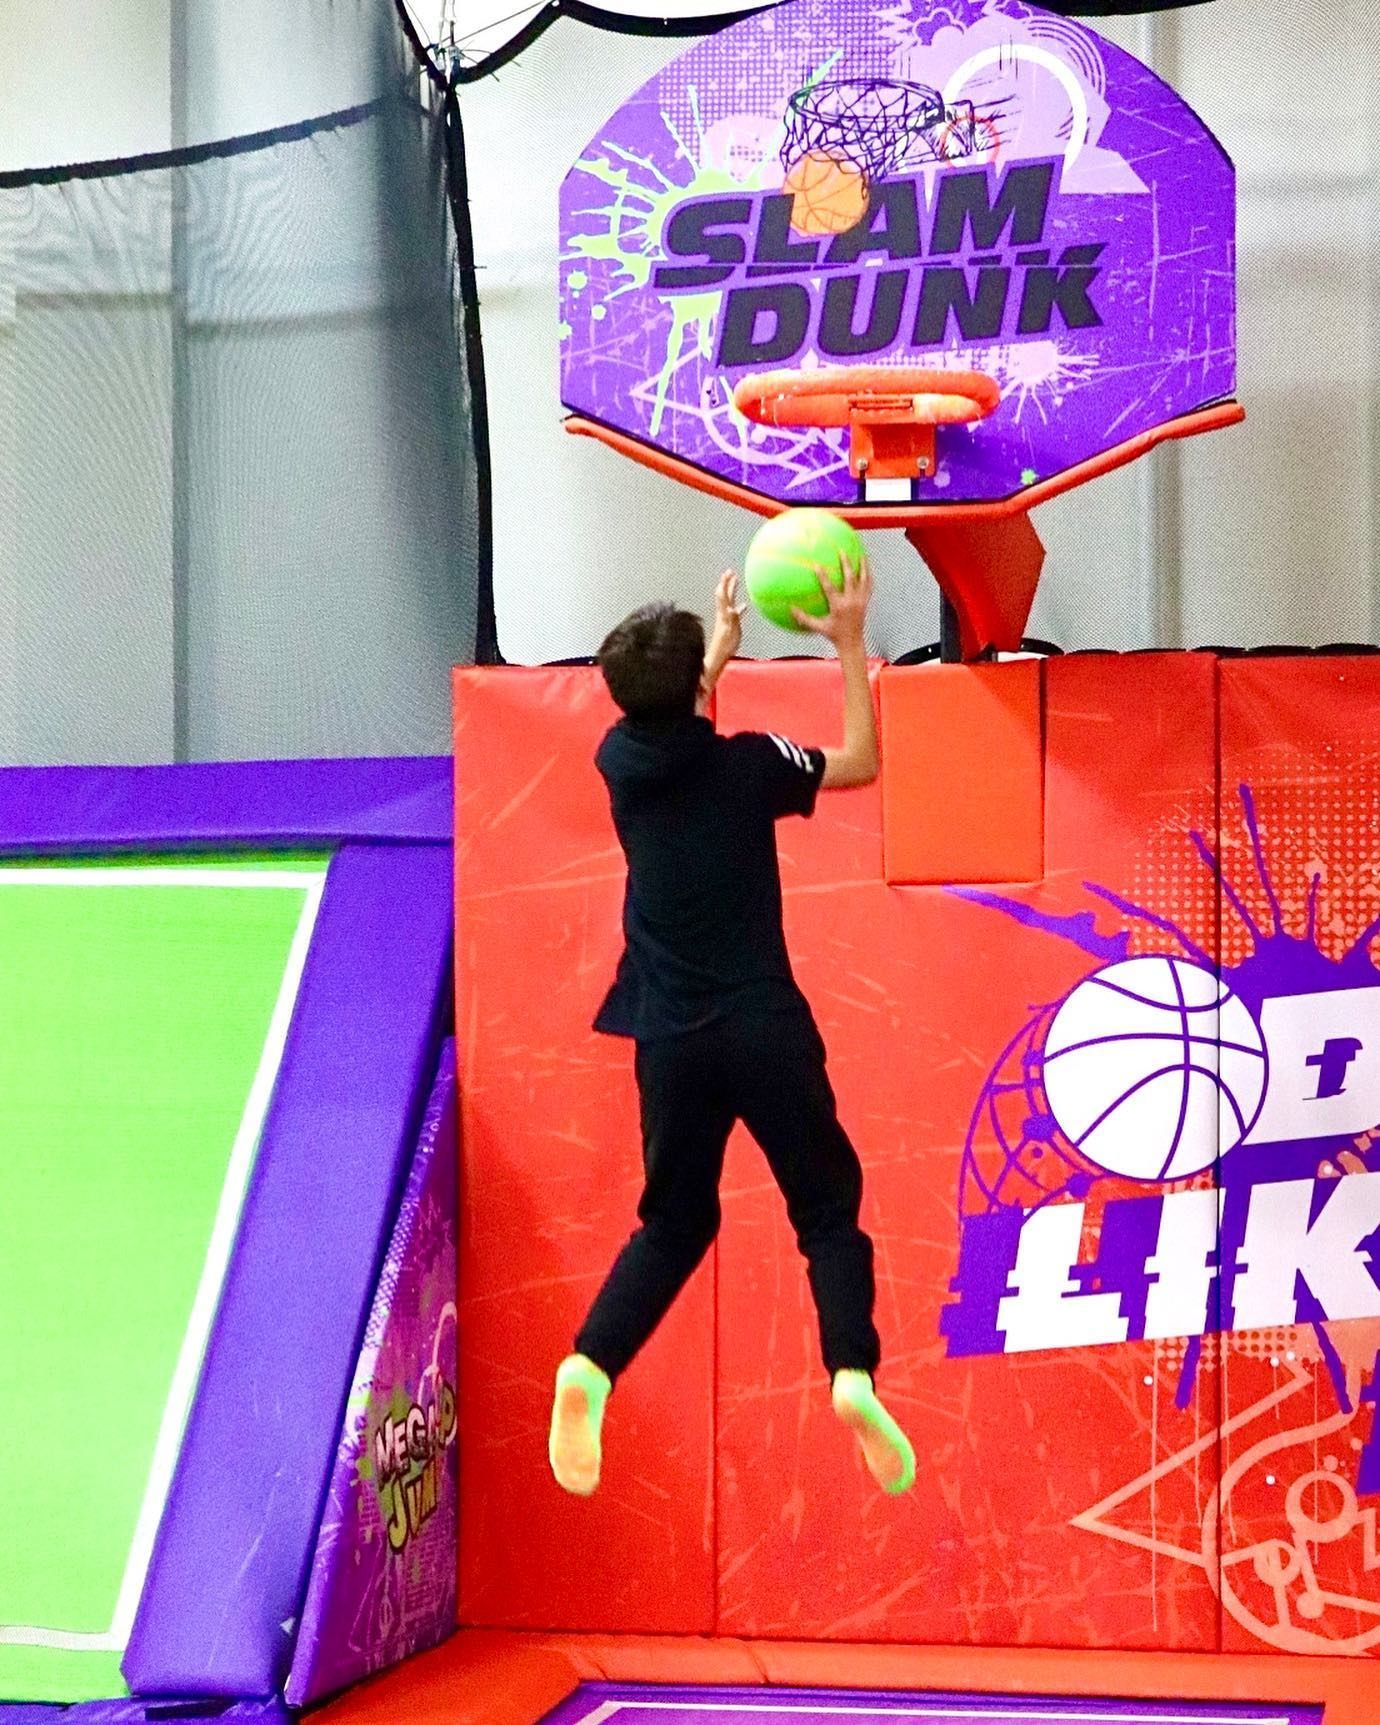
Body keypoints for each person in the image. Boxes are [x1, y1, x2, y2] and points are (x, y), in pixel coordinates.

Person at [548, 558, 915, 1499]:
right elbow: (861, 760)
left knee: (673, 1222)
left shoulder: (620, 765)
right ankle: (851, 1373)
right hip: (763, 1029)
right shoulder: (751, 766)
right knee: (826, 1213)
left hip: (670, 1041)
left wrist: (711, 653)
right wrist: (847, 642)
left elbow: (672, 717)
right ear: (696, 691)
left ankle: (591, 1364)